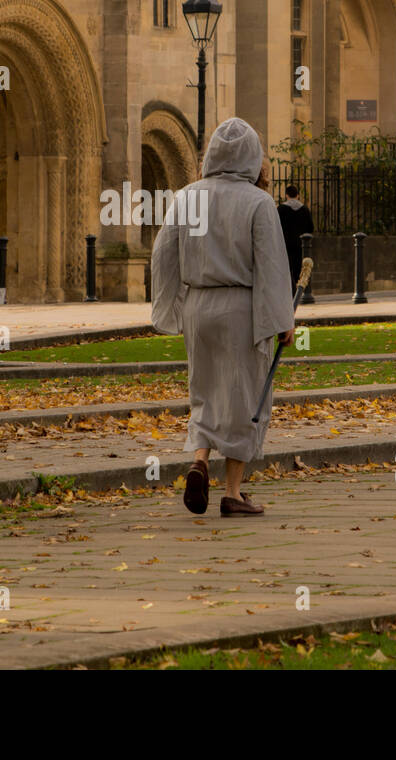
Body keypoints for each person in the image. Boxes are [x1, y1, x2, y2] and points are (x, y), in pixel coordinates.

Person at [151, 117, 295, 518]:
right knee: (246, 398)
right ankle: (232, 491)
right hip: (241, 308)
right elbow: (271, 265)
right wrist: (282, 319)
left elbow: (163, 253)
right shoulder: (258, 202)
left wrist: (172, 304)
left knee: (206, 391)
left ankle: (199, 460)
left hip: (200, 306)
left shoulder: (188, 197)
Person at [276, 184, 315, 291]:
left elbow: (275, 226)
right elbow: (310, 227)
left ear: (286, 195)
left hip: (285, 244)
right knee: (299, 269)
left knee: (286, 269)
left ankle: (289, 291)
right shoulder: (304, 209)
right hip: (300, 245)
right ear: (298, 195)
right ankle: (300, 291)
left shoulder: (281, 209)